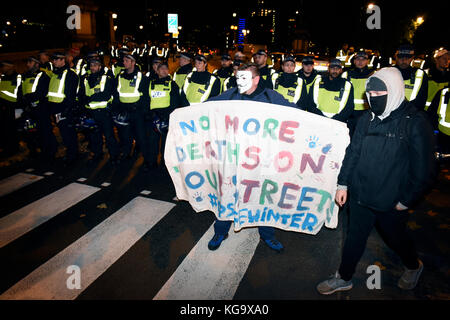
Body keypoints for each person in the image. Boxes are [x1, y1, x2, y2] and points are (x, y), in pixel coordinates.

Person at [317, 67, 435, 295]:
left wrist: (406, 201)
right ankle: (344, 277)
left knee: (396, 238)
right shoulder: (365, 119)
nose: (373, 98)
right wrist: (343, 184)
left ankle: (413, 266)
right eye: (370, 94)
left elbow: (424, 171)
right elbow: (353, 153)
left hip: (391, 201)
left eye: (379, 94)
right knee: (354, 238)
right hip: (360, 195)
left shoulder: (414, 122)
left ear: (395, 91)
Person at [206, 63, 297, 253]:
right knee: (228, 192)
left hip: (262, 159)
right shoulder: (230, 95)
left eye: (244, 78)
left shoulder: (271, 97)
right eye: (237, 77)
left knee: (263, 196)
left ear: (256, 79)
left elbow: (295, 114)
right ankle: (221, 231)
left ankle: (267, 235)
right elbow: (207, 107)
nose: (239, 81)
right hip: (234, 158)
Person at [113, 53, 155, 171]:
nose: (124, 63)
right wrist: (116, 109)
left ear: (133, 62)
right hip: (124, 111)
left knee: (141, 138)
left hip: (137, 112)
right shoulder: (120, 76)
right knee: (125, 137)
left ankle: (148, 160)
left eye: (127, 61)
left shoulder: (141, 77)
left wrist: (144, 112)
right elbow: (116, 94)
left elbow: (146, 97)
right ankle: (126, 155)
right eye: (124, 61)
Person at [78, 57, 120, 166]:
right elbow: (82, 95)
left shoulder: (106, 78)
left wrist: (90, 98)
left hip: (104, 113)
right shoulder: (86, 79)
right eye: (91, 65)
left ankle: (114, 156)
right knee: (95, 136)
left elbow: (105, 95)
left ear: (100, 67)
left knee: (109, 136)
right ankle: (97, 154)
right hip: (91, 113)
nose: (93, 68)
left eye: (95, 65)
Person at [144, 61, 187, 167]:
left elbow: (175, 102)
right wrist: (151, 115)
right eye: (161, 69)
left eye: (166, 69)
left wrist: (165, 117)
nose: (164, 71)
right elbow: (146, 101)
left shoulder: (172, 84)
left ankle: (165, 163)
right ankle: (152, 163)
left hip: (166, 118)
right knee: (152, 142)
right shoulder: (151, 84)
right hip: (154, 118)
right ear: (157, 71)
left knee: (166, 144)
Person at [45, 52, 80, 165]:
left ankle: (72, 155)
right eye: (53, 59)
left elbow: (71, 94)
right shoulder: (55, 74)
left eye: (56, 59)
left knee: (68, 133)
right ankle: (71, 153)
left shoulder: (69, 74)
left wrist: (66, 110)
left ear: (63, 60)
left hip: (64, 109)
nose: (54, 61)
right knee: (64, 134)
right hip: (56, 109)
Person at [17, 56, 51, 159]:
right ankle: (34, 151)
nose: (27, 64)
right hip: (28, 109)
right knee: (29, 132)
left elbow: (42, 92)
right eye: (27, 62)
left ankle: (47, 152)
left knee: (44, 131)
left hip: (41, 108)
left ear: (37, 64)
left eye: (30, 62)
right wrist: (23, 102)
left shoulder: (43, 76)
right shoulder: (24, 76)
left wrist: (28, 98)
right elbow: (20, 91)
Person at [306, 58, 354, 124]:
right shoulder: (318, 81)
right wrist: (320, 117)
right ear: (328, 69)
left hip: (337, 122)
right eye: (332, 68)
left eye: (337, 68)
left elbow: (349, 107)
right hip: (318, 120)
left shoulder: (347, 85)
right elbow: (310, 102)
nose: (335, 70)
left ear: (341, 70)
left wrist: (336, 120)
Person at [341, 49, 374, 136]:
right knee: (348, 136)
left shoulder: (373, 75)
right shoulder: (346, 74)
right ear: (354, 61)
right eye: (358, 59)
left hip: (366, 112)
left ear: (367, 61)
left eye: (363, 59)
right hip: (349, 112)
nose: (360, 62)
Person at [394, 44, 428, 110]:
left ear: (412, 58)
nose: (404, 60)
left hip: (412, 115)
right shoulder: (387, 72)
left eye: (407, 57)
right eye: (401, 57)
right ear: (396, 57)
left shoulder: (420, 75)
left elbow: (421, 101)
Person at [0, 61, 22, 157]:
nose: (2, 68)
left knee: (11, 130)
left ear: (11, 67)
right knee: (4, 129)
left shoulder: (17, 77)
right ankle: (6, 148)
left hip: (13, 108)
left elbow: (17, 94)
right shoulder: (3, 78)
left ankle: (13, 149)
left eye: (4, 66)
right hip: (4, 108)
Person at [427, 85, 450, 157]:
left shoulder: (443, 92)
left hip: (442, 138)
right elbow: (432, 115)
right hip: (442, 139)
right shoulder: (443, 92)